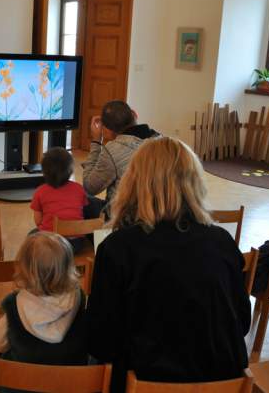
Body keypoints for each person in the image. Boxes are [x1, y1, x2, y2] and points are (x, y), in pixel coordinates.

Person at [86, 136, 251, 392]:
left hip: (143, 384)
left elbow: (100, 342)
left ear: (134, 182)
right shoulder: (222, 241)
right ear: (194, 182)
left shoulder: (117, 248)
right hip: (222, 383)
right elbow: (242, 322)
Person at [0, 232, 87, 389]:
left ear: (25, 270)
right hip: (72, 383)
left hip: (24, 385)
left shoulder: (16, 304)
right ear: (68, 267)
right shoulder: (78, 297)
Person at [81, 100, 159, 217]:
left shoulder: (113, 150)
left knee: (77, 198)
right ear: (134, 114)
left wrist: (96, 141)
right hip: (154, 213)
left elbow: (90, 187)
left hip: (122, 217)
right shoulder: (162, 142)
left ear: (107, 130)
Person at [31, 147, 88, 251]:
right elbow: (82, 212)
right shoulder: (79, 189)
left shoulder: (40, 191)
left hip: (50, 244)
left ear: (44, 171)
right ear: (70, 170)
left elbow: (38, 221)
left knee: (31, 235)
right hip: (76, 244)